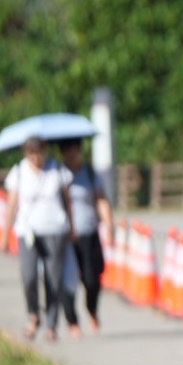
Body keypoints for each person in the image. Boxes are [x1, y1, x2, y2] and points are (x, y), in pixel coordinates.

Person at [1, 137, 75, 342]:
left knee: (53, 279)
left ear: (46, 151)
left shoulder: (58, 171)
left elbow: (69, 202)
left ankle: (52, 324)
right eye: (31, 153)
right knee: (29, 276)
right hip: (28, 231)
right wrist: (5, 234)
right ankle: (33, 314)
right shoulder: (19, 172)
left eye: (39, 153)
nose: (36, 158)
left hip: (55, 229)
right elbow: (12, 205)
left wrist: (72, 227)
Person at [56, 139, 113, 333]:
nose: (72, 155)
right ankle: (72, 321)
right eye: (68, 151)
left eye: (75, 151)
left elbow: (101, 200)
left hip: (88, 233)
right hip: (65, 236)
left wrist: (109, 225)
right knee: (68, 280)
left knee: (92, 279)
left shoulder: (89, 173)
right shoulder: (58, 174)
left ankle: (92, 309)